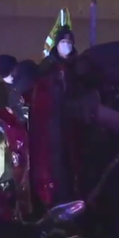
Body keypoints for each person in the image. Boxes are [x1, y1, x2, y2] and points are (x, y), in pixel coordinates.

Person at [29, 25, 79, 209]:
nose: (67, 45)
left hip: (72, 121)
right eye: (63, 42)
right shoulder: (47, 67)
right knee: (54, 159)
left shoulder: (77, 65)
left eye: (69, 42)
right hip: (52, 121)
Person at [0, 55, 39, 122]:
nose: (11, 76)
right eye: (5, 75)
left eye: (10, 71)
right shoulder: (12, 90)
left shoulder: (28, 74)